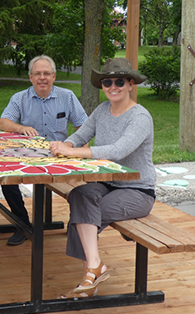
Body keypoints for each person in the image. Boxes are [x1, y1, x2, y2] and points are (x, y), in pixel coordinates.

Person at [49, 58, 156, 299]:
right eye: (107, 82)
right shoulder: (101, 111)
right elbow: (81, 134)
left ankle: (90, 276)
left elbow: (118, 150)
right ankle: (94, 267)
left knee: (84, 215)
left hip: (138, 190)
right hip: (106, 183)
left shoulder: (140, 117)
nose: (113, 86)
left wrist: (72, 152)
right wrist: (64, 144)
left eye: (119, 81)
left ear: (130, 84)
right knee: (80, 194)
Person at [0, 55, 88, 246]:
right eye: (37, 74)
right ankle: (22, 224)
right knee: (7, 180)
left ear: (54, 76)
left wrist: (81, 153)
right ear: (30, 77)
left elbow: (84, 128)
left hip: (61, 156)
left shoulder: (67, 96)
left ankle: (77, 225)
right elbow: (3, 123)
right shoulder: (20, 98)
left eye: (46, 73)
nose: (42, 78)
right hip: (28, 157)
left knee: (84, 185)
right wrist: (20, 129)